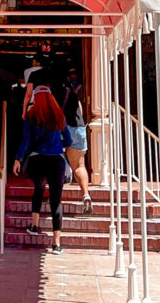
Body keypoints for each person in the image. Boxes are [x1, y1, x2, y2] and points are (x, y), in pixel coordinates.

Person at [13, 86, 72, 254]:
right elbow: (69, 140)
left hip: (37, 159)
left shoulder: (32, 116)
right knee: (56, 200)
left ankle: (34, 225)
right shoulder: (59, 115)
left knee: (38, 190)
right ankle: (56, 243)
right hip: (56, 160)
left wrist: (18, 159)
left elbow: (25, 140)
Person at [63, 67, 92, 214]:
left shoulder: (60, 91)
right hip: (79, 128)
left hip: (64, 127)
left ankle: (55, 197)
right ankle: (86, 195)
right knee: (79, 166)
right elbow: (80, 109)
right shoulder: (76, 93)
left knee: (55, 160)